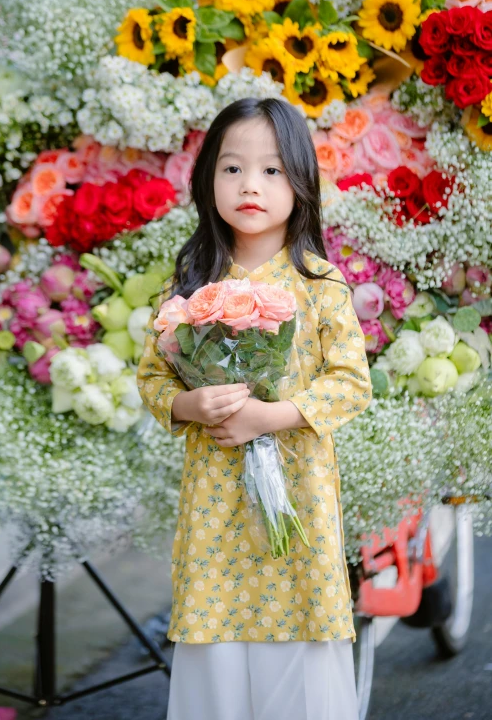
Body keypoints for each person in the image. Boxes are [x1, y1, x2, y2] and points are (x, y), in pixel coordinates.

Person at [137, 97, 372, 720]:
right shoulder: (186, 286)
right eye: (232, 168)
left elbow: (351, 382)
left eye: (272, 171)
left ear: (301, 182)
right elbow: (151, 377)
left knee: (299, 644)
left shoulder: (320, 285)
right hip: (215, 504)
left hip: (298, 498)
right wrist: (189, 401)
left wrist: (272, 416)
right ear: (207, 178)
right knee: (217, 640)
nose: (250, 186)